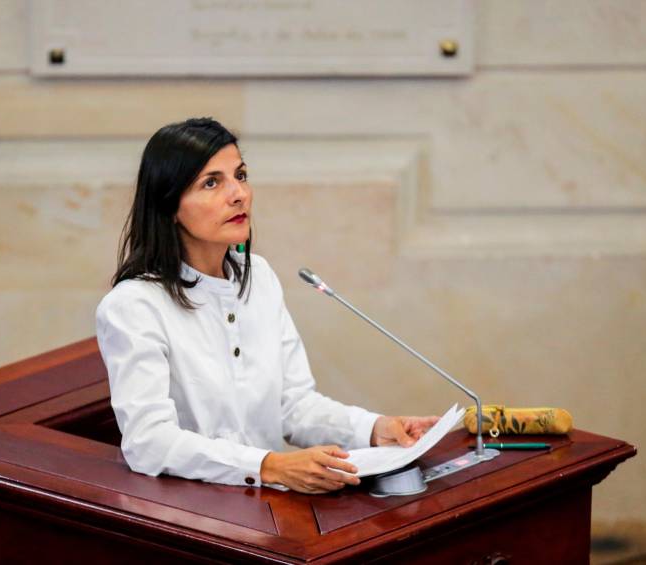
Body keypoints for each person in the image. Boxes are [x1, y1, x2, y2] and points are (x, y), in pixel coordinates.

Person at [95, 117, 438, 494]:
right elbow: (148, 442)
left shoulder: (258, 278)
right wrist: (269, 466)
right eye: (211, 183)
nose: (238, 193)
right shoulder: (134, 306)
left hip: (271, 513)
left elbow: (293, 406)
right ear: (170, 205)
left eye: (240, 175)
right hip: (191, 517)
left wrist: (372, 429)